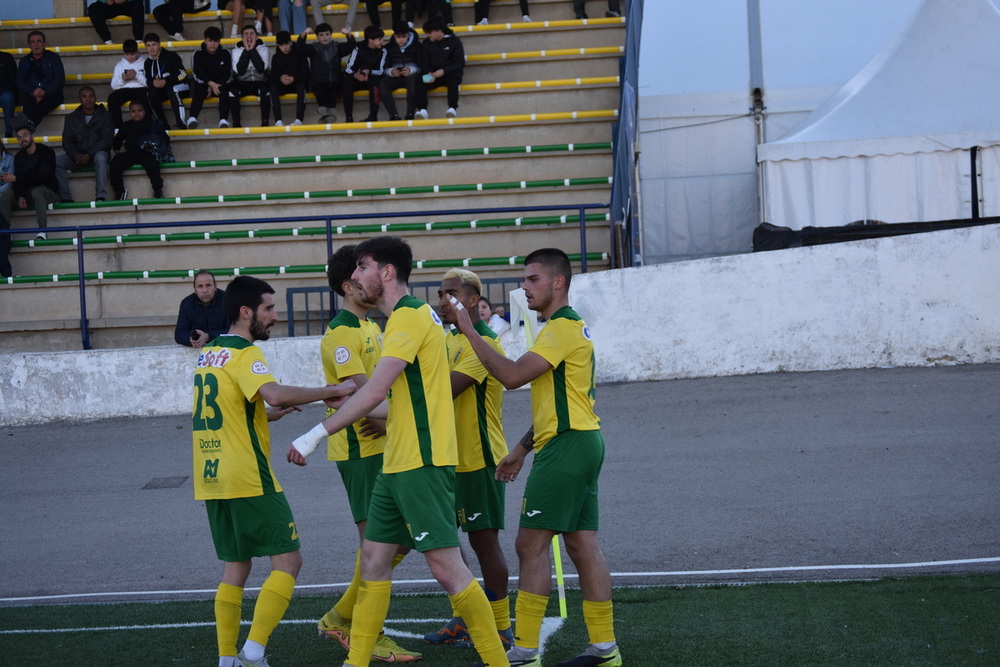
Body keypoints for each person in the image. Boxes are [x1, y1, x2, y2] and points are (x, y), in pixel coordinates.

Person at [287, 236, 510, 667]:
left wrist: (315, 434)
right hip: (398, 461)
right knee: (373, 561)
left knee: (448, 569)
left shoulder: (407, 317)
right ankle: (358, 660)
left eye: (363, 267)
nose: (354, 277)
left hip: (422, 460)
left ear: (386, 272)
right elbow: (397, 399)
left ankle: (498, 659)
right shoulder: (402, 320)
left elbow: (373, 390)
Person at [452, 248, 622, 667]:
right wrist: (522, 448)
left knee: (530, 543)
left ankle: (524, 652)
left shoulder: (562, 328)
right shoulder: (560, 329)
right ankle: (605, 649)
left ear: (557, 282)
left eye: (532, 279)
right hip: (579, 441)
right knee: (582, 544)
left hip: (567, 446)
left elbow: (510, 378)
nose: (524, 287)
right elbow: (560, 399)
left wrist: (471, 331)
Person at [192, 274, 356, 667]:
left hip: (211, 475)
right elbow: (275, 391)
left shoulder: (210, 353)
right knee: (289, 562)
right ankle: (255, 650)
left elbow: (231, 408)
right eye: (269, 308)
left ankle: (227, 659)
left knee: (236, 566)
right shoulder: (246, 354)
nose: (275, 316)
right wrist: (331, 391)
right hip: (247, 473)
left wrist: (265, 416)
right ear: (246, 312)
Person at [313, 244, 422, 663]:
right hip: (360, 450)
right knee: (375, 548)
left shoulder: (371, 327)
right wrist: (402, 417)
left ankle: (342, 617)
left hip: (383, 445)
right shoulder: (342, 334)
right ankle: (364, 634)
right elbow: (363, 394)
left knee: (399, 542)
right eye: (359, 273)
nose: (366, 279)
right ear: (348, 285)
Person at [425, 269, 513, 649]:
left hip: (480, 459)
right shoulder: (448, 340)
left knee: (484, 544)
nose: (444, 300)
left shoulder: (487, 344)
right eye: (441, 293)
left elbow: (443, 392)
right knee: (448, 544)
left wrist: (389, 418)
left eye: (452, 293)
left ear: (475, 301)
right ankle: (462, 618)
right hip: (448, 459)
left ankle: (501, 628)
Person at [0, 123, 58, 241]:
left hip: (48, 191)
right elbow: (18, 182)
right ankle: (7, 232)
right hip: (27, 193)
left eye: (25, 135)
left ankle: (43, 230)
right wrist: (20, 196)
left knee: (37, 191)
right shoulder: (19, 156)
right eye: (19, 137)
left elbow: (42, 178)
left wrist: (16, 178)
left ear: (32, 135)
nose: (22, 139)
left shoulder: (47, 152)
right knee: (6, 195)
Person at [55, 86, 113, 203]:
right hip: (77, 157)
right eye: (84, 96)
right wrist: (75, 155)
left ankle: (100, 196)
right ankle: (66, 197)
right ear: (79, 99)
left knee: (101, 157)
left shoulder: (105, 116)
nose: (88, 99)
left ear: (95, 98)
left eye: (91, 96)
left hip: (96, 155)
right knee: (57, 161)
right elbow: (67, 141)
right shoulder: (71, 118)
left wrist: (89, 154)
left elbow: (107, 140)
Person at [296, 23, 356, 123]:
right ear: (317, 36)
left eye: (327, 34)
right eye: (321, 35)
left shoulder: (337, 47)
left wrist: (348, 34)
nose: (325, 37)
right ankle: (328, 114)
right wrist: (303, 35)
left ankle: (328, 114)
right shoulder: (313, 48)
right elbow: (299, 48)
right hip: (318, 82)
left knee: (334, 87)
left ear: (331, 35)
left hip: (335, 81)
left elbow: (352, 46)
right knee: (320, 86)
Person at [110, 101, 164, 200]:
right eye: (133, 111)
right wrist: (118, 150)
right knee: (114, 164)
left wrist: (152, 148)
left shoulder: (151, 124)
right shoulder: (126, 125)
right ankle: (120, 191)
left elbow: (161, 138)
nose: (137, 113)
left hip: (145, 152)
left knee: (153, 165)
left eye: (139, 110)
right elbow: (117, 141)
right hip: (129, 153)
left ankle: (158, 190)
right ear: (130, 113)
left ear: (144, 112)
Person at [15, 31, 65, 130]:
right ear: (29, 45)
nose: (36, 44)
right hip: (31, 93)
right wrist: (33, 91)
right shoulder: (24, 61)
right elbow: (19, 81)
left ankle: (26, 129)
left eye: (39, 41)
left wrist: (44, 93)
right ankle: (27, 129)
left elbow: (59, 79)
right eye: (33, 42)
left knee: (42, 106)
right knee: (28, 103)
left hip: (51, 94)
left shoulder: (53, 58)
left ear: (44, 43)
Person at [415, 19, 464, 120]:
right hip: (433, 76)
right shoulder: (426, 43)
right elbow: (424, 61)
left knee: (453, 77)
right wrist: (428, 72)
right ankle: (423, 110)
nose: (429, 35)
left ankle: (452, 108)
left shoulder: (454, 41)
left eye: (430, 33)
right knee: (419, 79)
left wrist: (444, 70)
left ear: (439, 31)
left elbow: (460, 63)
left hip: (448, 74)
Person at [187, 26, 233, 129]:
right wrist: (210, 84)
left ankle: (223, 120)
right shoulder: (197, 54)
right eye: (210, 41)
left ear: (219, 41)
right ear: (205, 40)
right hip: (204, 83)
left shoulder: (226, 53)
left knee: (224, 89)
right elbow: (197, 74)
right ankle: (192, 118)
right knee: (199, 88)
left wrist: (215, 85)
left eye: (215, 41)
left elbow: (228, 74)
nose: (212, 44)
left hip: (220, 84)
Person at [144, 32, 190, 130]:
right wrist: (152, 83)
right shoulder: (147, 63)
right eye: (148, 45)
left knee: (172, 89)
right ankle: (162, 124)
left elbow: (183, 74)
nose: (151, 48)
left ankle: (181, 123)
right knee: (150, 94)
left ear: (159, 44)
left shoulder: (171, 56)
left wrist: (166, 81)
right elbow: (147, 80)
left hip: (181, 86)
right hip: (163, 90)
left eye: (154, 45)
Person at [229, 24, 271, 127]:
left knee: (266, 92)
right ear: (242, 38)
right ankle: (236, 123)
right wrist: (246, 51)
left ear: (257, 37)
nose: (249, 37)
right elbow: (240, 70)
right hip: (242, 82)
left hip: (259, 82)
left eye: (252, 34)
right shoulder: (235, 51)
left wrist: (252, 49)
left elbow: (261, 68)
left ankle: (265, 123)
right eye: (246, 34)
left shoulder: (265, 49)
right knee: (232, 92)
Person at [343, 25, 387, 123]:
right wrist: (356, 75)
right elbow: (349, 68)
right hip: (356, 77)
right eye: (379, 39)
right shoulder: (358, 48)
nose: (382, 41)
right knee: (347, 83)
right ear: (371, 40)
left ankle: (373, 116)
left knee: (376, 83)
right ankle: (349, 117)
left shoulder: (383, 51)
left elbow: (380, 70)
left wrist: (369, 72)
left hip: (371, 78)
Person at [175, 269, 229, 347]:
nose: (205, 290)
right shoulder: (187, 303)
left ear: (215, 286)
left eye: (208, 285)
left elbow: (233, 331)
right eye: (200, 286)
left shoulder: (227, 300)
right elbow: (179, 334)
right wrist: (190, 339)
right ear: (195, 289)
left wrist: (208, 336)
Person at [379, 22, 421, 121]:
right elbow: (382, 68)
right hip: (395, 77)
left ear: (408, 35)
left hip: (412, 76)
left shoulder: (418, 46)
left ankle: (410, 114)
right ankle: (393, 115)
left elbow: (423, 66)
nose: (401, 39)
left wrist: (411, 70)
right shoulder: (388, 48)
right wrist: (391, 71)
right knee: (382, 83)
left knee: (414, 82)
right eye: (398, 37)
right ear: (394, 36)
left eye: (404, 36)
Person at [268, 31, 308, 126]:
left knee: (302, 87)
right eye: (281, 45)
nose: (285, 47)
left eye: (286, 44)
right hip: (281, 85)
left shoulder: (300, 54)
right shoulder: (276, 57)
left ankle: (299, 120)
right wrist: (281, 78)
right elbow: (273, 76)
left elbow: (305, 74)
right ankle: (278, 121)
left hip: (296, 83)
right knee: (273, 88)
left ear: (291, 42)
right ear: (277, 45)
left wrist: (293, 78)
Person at [108, 39, 148, 129]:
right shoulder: (119, 65)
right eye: (127, 54)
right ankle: (118, 127)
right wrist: (123, 79)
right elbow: (113, 86)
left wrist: (136, 75)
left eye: (132, 54)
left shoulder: (145, 63)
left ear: (137, 52)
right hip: (125, 89)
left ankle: (147, 126)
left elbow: (149, 83)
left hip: (141, 89)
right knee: (112, 99)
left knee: (148, 97)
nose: (130, 57)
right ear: (124, 54)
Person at [0, 144, 14, 276]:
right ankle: (6, 273)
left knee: (3, 235)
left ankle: (6, 272)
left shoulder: (10, 159)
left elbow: (10, 183)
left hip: (3, 196)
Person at [0, 50, 16, 138]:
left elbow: (13, 81)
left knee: (8, 98)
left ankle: (8, 133)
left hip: (3, 93)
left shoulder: (6, 57)